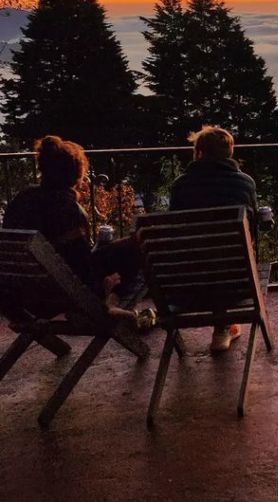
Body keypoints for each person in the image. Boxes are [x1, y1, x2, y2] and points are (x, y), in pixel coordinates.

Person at [2, 135, 141, 320]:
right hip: (60, 296)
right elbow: (81, 264)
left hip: (19, 296)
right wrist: (103, 282)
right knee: (136, 246)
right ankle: (111, 303)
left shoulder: (20, 201)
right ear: (77, 173)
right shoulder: (66, 208)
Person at [169, 125, 258, 352]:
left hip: (186, 287)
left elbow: (174, 236)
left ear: (199, 153)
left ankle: (221, 330)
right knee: (225, 260)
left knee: (205, 258)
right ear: (229, 153)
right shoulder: (245, 183)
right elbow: (253, 236)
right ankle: (223, 328)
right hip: (237, 286)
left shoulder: (179, 187)